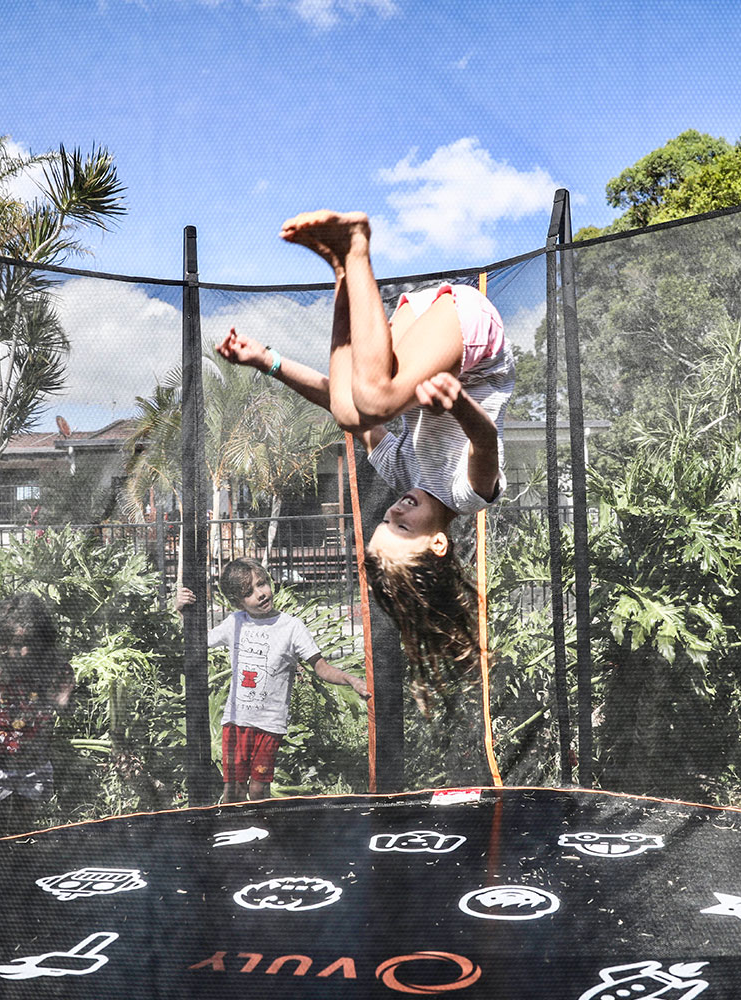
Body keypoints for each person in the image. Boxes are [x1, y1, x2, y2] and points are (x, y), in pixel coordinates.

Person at [215, 210, 514, 701]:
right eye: (402, 527)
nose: (394, 511)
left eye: (386, 521)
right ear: (438, 544)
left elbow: (337, 396)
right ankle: (356, 246)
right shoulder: (468, 493)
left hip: (418, 327)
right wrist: (458, 403)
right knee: (373, 400)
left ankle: (342, 271)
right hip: (475, 341)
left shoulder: (402, 472)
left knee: (351, 412)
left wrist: (267, 361)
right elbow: (483, 441)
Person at [176, 557, 369, 802]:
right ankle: (232, 833)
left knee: (258, 791)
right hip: (236, 722)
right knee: (233, 791)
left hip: (269, 724)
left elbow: (321, 668)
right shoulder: (235, 622)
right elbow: (199, 640)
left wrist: (350, 679)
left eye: (262, 584)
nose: (260, 594)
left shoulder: (291, 627)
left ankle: (261, 834)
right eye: (249, 592)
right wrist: (183, 612)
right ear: (237, 601)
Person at [0, 592, 75, 841]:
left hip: (32, 764)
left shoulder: (56, 668)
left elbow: (66, 711)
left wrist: (63, 704)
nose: (24, 652)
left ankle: (16, 875)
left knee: (23, 833)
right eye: (16, 644)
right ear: (2, 641)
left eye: (31, 643)